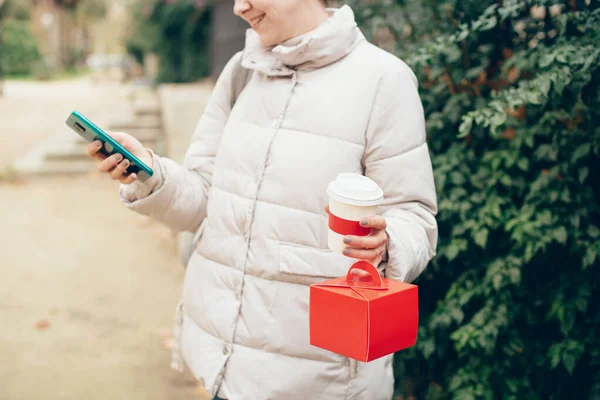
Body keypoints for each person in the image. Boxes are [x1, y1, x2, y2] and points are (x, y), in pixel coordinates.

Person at [85, 1, 438, 398]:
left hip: (323, 380)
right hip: (224, 367)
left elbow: (415, 216)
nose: (239, 8)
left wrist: (387, 244)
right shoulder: (240, 72)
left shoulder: (383, 80)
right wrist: (151, 174)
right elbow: (204, 201)